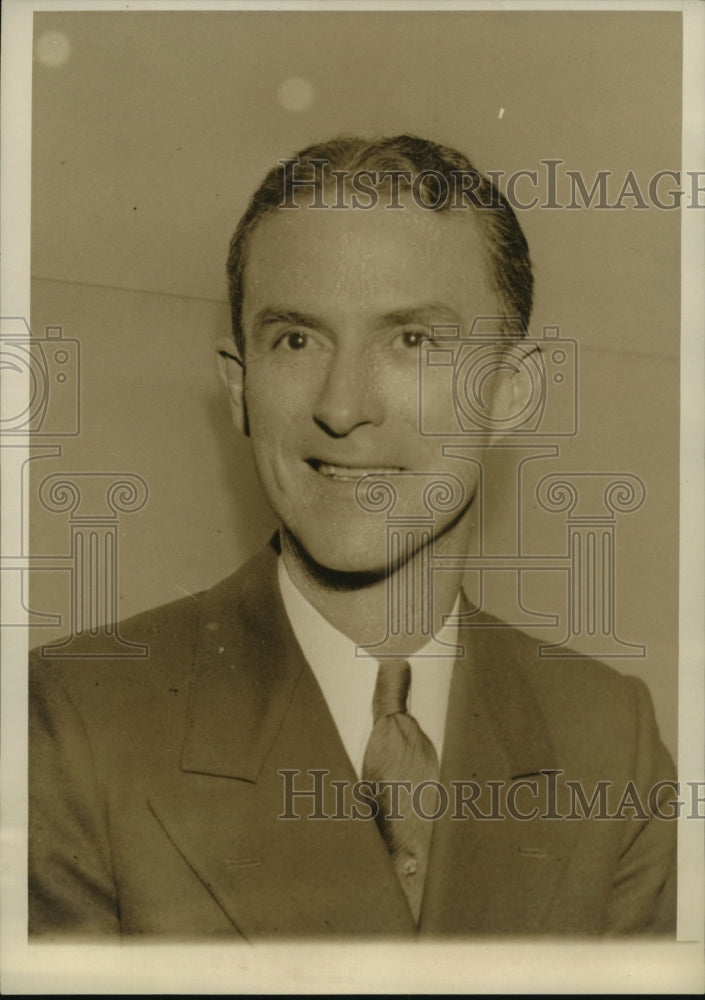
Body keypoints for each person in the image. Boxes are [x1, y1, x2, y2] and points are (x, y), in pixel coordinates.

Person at [29, 134, 676, 939]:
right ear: (239, 387)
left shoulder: (608, 738)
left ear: (511, 390)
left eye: (412, 341)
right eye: (296, 340)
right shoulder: (70, 725)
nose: (342, 406)